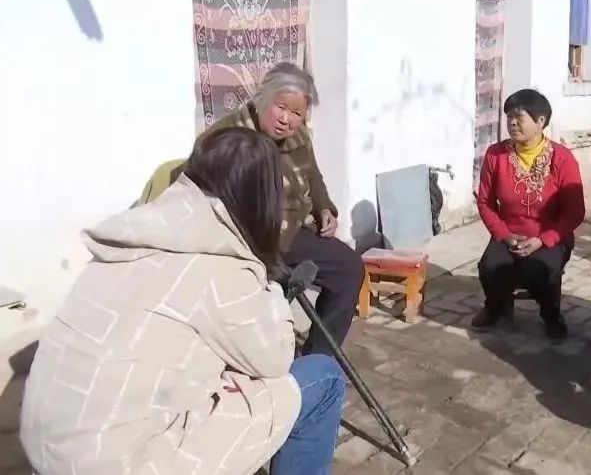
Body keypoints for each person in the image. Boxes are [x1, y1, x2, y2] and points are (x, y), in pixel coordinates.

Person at [20, 128, 345, 475]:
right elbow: (276, 359)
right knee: (323, 377)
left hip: (49, 448)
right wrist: (272, 288)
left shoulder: (132, 233)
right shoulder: (223, 264)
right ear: (263, 198)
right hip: (124, 463)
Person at [166, 62, 364, 355]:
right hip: (247, 238)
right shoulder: (228, 137)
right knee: (259, 290)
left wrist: (325, 209)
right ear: (262, 99)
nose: (286, 119)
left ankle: (319, 357)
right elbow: (195, 189)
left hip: (290, 232)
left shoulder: (298, 137)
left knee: (348, 267)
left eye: (296, 113)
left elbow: (313, 176)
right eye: (280, 107)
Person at [473, 88, 585, 339]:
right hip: (510, 234)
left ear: (540, 121)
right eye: (509, 117)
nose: (512, 123)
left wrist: (543, 240)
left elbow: (575, 211)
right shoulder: (496, 155)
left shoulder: (562, 158)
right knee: (489, 267)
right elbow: (485, 202)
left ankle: (551, 314)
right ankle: (493, 307)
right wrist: (504, 235)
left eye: (519, 117)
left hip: (549, 236)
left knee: (540, 272)